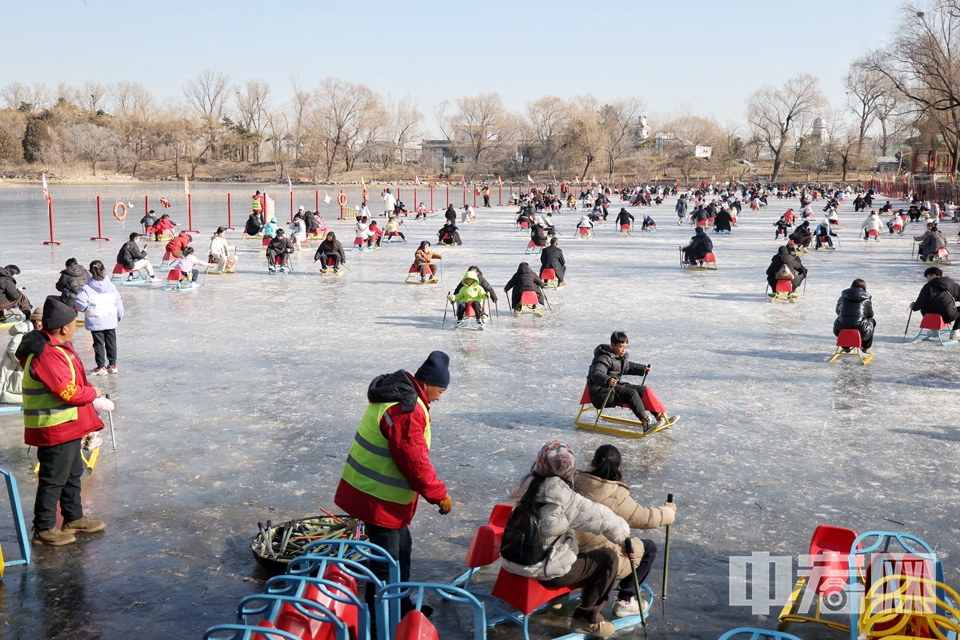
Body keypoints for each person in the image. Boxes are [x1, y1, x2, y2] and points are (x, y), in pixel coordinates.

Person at [333, 351, 453, 622]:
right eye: (441, 390)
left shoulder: (394, 395)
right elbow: (414, 464)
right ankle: (380, 623)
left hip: (375, 493)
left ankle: (400, 606)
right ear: (428, 383)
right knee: (386, 565)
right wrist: (439, 495)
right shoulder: (407, 411)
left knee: (401, 551)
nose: (439, 397)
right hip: (379, 499)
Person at [502, 441, 630, 638]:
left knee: (564, 542)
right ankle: (586, 618)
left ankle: (557, 599)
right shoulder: (562, 495)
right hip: (543, 570)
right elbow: (603, 518)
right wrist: (625, 539)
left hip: (512, 563)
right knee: (607, 557)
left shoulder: (524, 486)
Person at [16, 297, 109, 546]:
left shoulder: (59, 347)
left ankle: (73, 517)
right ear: (64, 328)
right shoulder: (47, 354)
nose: (76, 327)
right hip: (53, 427)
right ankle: (44, 528)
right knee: (53, 477)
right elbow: (67, 392)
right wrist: (95, 394)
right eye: (73, 324)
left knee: (72, 473)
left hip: (67, 425)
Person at [574, 444, 677, 618]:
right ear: (619, 468)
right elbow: (644, 517)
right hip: (595, 561)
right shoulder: (615, 494)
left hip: (569, 552)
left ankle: (559, 599)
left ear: (592, 462)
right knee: (648, 548)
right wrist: (668, 512)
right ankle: (625, 600)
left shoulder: (572, 482)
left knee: (600, 538)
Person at [587, 331, 668, 432]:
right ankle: (645, 422)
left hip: (615, 386)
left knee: (643, 390)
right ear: (612, 345)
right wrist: (607, 380)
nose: (623, 350)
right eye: (621, 347)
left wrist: (642, 369)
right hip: (602, 391)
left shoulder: (619, 357)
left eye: (626, 347)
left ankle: (658, 416)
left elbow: (628, 367)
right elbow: (595, 373)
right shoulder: (602, 358)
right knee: (632, 394)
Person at [75, 260, 124, 375]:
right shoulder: (111, 286)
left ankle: (101, 366)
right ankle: (113, 365)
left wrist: (87, 308)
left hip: (95, 319)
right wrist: (119, 313)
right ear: (103, 271)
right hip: (110, 318)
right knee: (111, 342)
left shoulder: (87, 287)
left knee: (98, 343)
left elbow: (79, 302)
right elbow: (118, 300)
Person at [1, 308, 42, 404]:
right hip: (15, 372)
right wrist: (28, 362)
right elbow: (13, 350)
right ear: (34, 320)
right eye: (39, 320)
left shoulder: (36, 331)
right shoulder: (23, 332)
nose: (41, 324)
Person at [910, 267, 960, 339]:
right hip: (947, 316)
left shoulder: (927, 287)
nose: (927, 280)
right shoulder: (953, 285)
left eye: (928, 277)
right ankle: (955, 332)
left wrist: (913, 306)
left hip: (929, 317)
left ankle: (933, 330)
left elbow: (920, 303)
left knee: (933, 308)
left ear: (934, 275)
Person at [834, 279, 876, 352]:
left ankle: (845, 346)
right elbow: (870, 314)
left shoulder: (842, 297)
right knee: (872, 321)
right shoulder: (866, 299)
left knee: (844, 320)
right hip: (860, 331)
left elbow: (838, 311)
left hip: (840, 329)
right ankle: (866, 347)